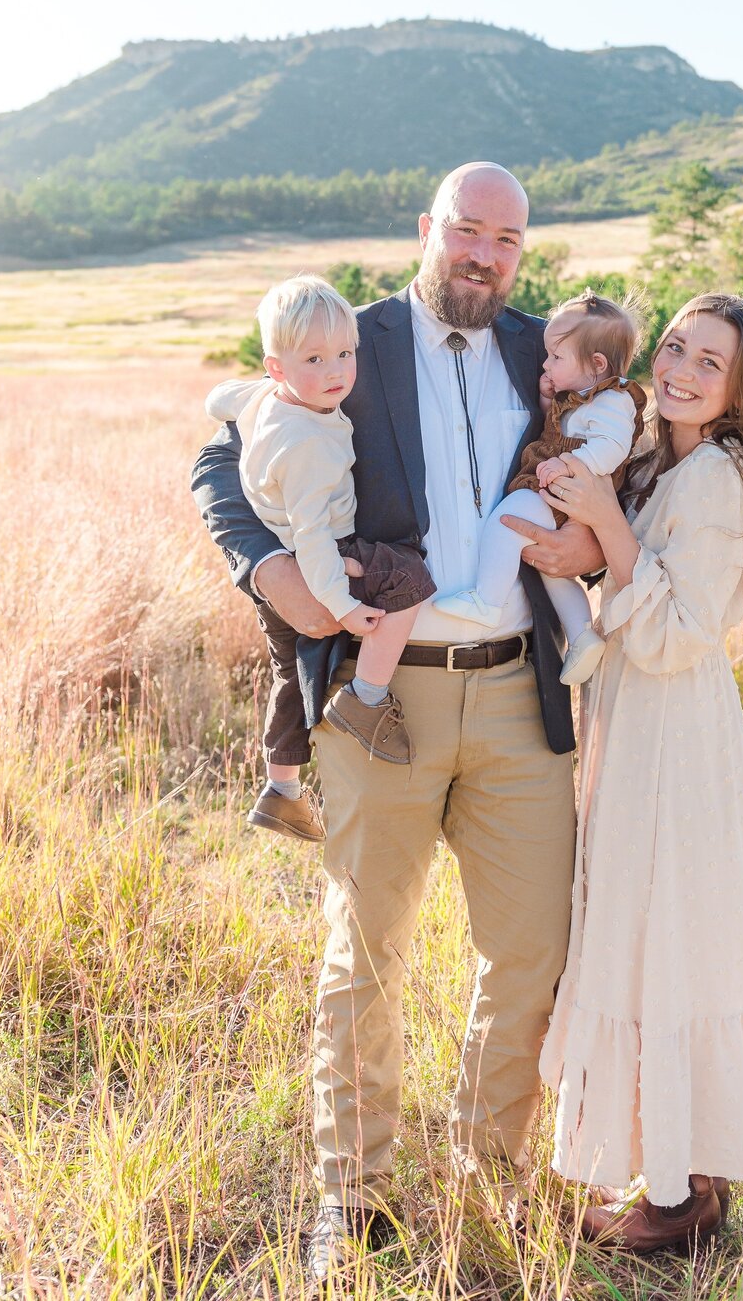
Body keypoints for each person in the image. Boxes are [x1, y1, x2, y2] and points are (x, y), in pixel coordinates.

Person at [190, 163, 601, 1278]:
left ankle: (488, 1174)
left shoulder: (539, 350)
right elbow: (217, 461)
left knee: (529, 954)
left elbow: (624, 455)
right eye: (465, 230)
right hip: (384, 699)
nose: (482, 253)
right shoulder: (345, 339)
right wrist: (269, 569)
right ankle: (355, 1201)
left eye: (505, 239)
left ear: (524, 251)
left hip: (523, 694)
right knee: (365, 954)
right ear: (426, 230)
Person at [537, 293, 743, 1253]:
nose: (681, 371)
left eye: (709, 363)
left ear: (740, 392)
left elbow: (680, 634)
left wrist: (603, 515)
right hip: (634, 721)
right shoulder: (661, 458)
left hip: (676, 737)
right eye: (677, 348)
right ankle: (674, 1168)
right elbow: (619, 575)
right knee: (644, 932)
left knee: (672, 938)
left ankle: (685, 1192)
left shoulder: (718, 482)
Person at [204, 274, 437, 840]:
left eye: (344, 354)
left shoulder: (263, 396)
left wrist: (232, 393)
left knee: (290, 669)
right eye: (315, 359)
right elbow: (311, 535)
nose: (336, 372)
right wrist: (343, 603)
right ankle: (366, 699)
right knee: (409, 577)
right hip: (320, 550)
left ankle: (281, 786)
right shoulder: (309, 444)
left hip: (289, 540)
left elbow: (221, 400)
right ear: (278, 367)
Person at [433, 288, 647, 685]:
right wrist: (550, 404)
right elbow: (561, 428)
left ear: (596, 364)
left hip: (563, 491)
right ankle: (582, 634)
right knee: (551, 567)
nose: (546, 362)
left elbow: (613, 446)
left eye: (556, 357)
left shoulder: (615, 400)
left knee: (509, 520)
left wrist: (569, 463)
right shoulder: (582, 397)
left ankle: (488, 600)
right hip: (561, 492)